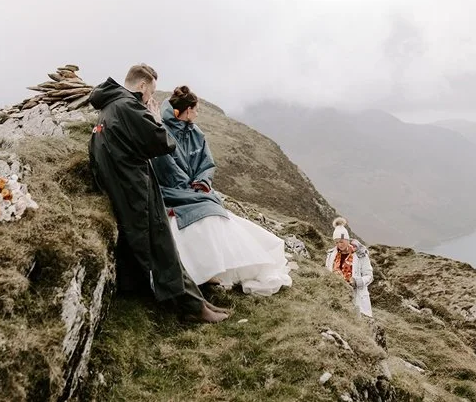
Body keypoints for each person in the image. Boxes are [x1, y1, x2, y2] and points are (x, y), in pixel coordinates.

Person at [88, 65, 228, 323]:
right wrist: (154, 118)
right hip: (135, 187)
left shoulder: (109, 106)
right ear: (142, 86)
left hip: (121, 185)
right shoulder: (129, 107)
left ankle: (195, 301)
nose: (150, 97)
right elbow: (164, 143)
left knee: (153, 244)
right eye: (151, 91)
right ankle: (191, 307)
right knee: (161, 246)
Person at [150, 85, 292, 296]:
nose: (197, 114)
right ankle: (205, 270)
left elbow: (206, 163)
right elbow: (166, 167)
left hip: (195, 190)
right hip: (173, 190)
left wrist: (202, 182)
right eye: (196, 110)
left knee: (215, 210)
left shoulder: (196, 133)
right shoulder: (163, 132)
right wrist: (189, 187)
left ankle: (217, 267)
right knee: (207, 212)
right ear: (187, 111)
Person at [325, 217, 373, 317]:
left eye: (341, 241)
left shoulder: (360, 255)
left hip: (357, 297)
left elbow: (369, 276)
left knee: (358, 322)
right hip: (337, 296)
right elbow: (327, 272)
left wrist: (357, 282)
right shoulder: (331, 255)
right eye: (336, 242)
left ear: (347, 239)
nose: (339, 245)